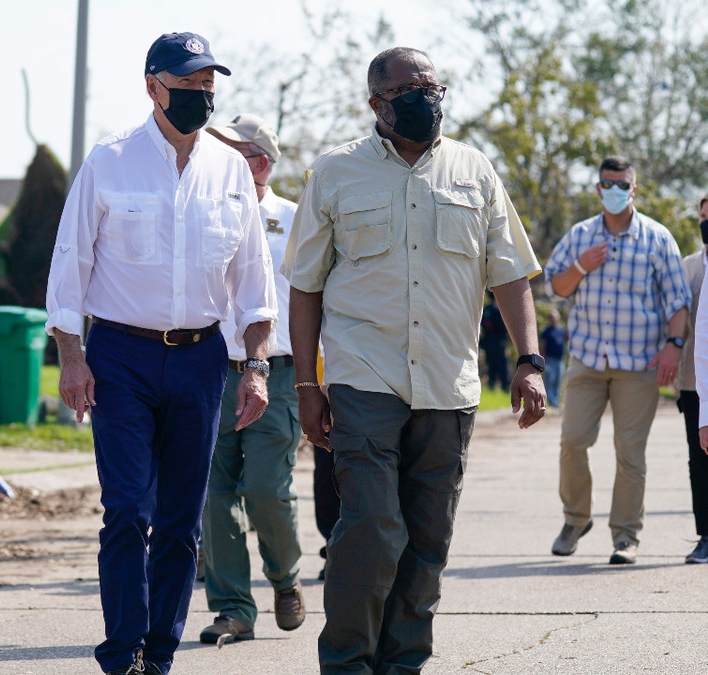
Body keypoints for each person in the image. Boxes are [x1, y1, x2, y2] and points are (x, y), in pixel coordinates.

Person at [283, 47, 547, 674]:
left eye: (433, 85)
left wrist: (529, 359)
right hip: (363, 376)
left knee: (427, 543)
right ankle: (348, 663)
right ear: (376, 102)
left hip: (447, 384)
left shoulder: (473, 169)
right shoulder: (336, 172)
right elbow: (305, 286)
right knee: (372, 530)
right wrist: (305, 385)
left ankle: (403, 665)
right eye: (409, 88)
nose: (425, 96)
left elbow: (510, 274)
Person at [44, 32, 277, 675]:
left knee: (180, 520)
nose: (202, 96)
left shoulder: (231, 169)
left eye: (209, 86)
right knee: (127, 510)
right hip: (120, 355)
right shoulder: (109, 161)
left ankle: (160, 653)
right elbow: (71, 266)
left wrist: (255, 368)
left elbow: (254, 284)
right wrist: (72, 356)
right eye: (189, 85)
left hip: (202, 360)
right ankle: (121, 653)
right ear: (154, 86)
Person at [545, 155, 690, 565]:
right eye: (608, 184)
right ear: (597, 188)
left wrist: (673, 345)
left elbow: (678, 300)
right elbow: (555, 287)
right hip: (588, 360)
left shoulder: (658, 238)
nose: (615, 191)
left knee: (630, 452)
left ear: (634, 188)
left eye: (622, 184)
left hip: (639, 363)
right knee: (572, 442)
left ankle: (625, 536)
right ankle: (575, 520)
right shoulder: (579, 236)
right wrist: (581, 266)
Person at [196, 114, 303, 645]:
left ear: (259, 162)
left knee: (265, 489)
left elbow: (316, 302)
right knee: (214, 495)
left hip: (278, 374)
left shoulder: (296, 219)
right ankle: (233, 608)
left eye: (232, 150)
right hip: (212, 370)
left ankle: (285, 578)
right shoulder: (203, 211)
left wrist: (321, 381)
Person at [682, 196, 708, 563]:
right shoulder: (688, 266)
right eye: (704, 217)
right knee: (700, 459)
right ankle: (706, 534)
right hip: (695, 380)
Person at [479, 292, 511, 391]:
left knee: (494, 365)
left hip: (491, 342)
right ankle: (501, 385)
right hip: (498, 342)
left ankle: (496, 385)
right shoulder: (500, 309)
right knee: (499, 365)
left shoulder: (487, 309)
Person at [540, 308, 568, 407]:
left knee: (558, 380)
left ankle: (555, 401)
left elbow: (566, 339)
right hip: (549, 359)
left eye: (554, 317)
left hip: (560, 360)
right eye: (551, 317)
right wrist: (543, 360)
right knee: (549, 380)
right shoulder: (546, 331)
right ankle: (549, 400)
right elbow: (543, 345)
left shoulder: (562, 330)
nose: (553, 319)